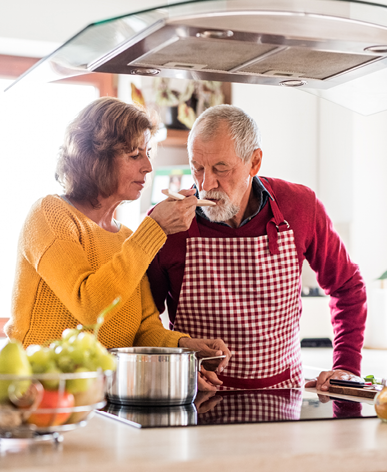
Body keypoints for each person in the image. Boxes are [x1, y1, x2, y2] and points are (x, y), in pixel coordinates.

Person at [5, 97, 230, 389]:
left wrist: (187, 347)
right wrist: (155, 229)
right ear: (94, 158)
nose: (148, 166)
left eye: (147, 153)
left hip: (104, 396)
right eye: (135, 155)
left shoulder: (126, 238)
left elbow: (145, 329)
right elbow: (90, 306)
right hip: (38, 395)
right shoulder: (50, 215)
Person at [147, 104, 366, 391]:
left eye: (220, 168)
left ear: (254, 162)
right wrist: (175, 367)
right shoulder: (167, 224)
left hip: (282, 399)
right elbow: (144, 321)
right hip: (195, 402)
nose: (205, 183)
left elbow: (348, 286)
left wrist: (347, 366)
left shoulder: (300, 206)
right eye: (197, 168)